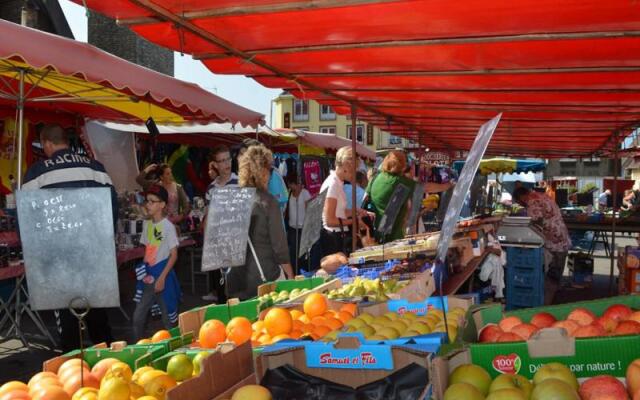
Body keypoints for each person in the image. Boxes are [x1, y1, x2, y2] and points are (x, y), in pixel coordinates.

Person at [23, 124, 116, 352]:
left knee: (67, 320)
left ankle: (72, 371)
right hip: (94, 257)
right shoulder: (96, 169)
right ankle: (110, 362)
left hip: (59, 261)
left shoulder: (37, 174)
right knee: (98, 315)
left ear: (46, 143)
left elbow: (26, 219)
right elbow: (113, 209)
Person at [226, 145, 293, 300]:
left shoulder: (232, 200)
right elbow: (279, 245)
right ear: (262, 172)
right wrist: (289, 272)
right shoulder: (268, 202)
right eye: (269, 169)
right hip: (265, 277)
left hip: (238, 280)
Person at [132, 185, 181, 340]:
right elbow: (147, 250)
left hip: (163, 278)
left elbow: (174, 255)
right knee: (138, 317)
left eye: (153, 201)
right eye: (147, 201)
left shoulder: (168, 227)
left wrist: (162, 278)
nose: (148, 204)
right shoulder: (147, 225)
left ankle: (176, 347)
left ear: (162, 204)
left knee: (168, 318)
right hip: (150, 277)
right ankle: (139, 347)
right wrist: (145, 271)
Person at [513, 186, 572, 304]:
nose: (521, 205)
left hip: (554, 242)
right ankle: (551, 302)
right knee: (555, 275)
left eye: (519, 202)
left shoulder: (532, 201)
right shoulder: (541, 195)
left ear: (522, 198)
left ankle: (546, 306)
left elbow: (536, 222)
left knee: (552, 277)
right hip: (561, 238)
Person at [202, 145, 239, 302]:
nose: (226, 164)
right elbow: (208, 217)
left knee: (238, 291)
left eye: (228, 159)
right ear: (215, 164)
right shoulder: (211, 189)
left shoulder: (240, 183)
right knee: (222, 292)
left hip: (237, 246)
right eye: (222, 161)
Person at [320, 146, 371, 258]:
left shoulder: (338, 182)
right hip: (333, 238)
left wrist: (357, 211)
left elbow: (340, 212)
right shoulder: (333, 184)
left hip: (337, 235)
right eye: (354, 169)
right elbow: (330, 220)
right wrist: (354, 221)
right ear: (346, 167)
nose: (354, 174)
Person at [364, 150, 416, 242]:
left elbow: (365, 198)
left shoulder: (375, 178)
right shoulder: (401, 182)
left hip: (374, 232)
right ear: (402, 166)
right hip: (393, 234)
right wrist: (448, 185)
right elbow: (425, 188)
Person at [238, 139, 288, 214]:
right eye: (240, 154)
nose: (239, 157)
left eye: (243, 154)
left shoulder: (271, 174)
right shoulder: (247, 175)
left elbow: (278, 206)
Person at [285, 176, 311, 273]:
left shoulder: (305, 193)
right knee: (293, 254)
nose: (290, 186)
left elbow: (308, 209)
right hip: (292, 228)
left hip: (303, 228)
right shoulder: (289, 193)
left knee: (303, 253)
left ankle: (304, 272)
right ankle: (295, 272)